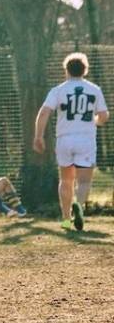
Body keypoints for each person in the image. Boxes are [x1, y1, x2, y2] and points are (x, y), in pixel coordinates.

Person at [34, 52, 109, 231]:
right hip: (86, 139)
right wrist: (96, 122)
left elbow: (44, 112)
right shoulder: (94, 89)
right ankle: (79, 207)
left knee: (66, 180)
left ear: (66, 70)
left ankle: (66, 218)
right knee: (84, 181)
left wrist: (38, 136)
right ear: (85, 70)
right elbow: (104, 115)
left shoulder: (58, 90)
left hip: (65, 139)